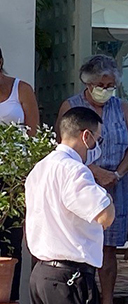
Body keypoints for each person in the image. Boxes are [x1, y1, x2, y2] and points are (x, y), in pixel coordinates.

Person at [56, 55, 128, 304]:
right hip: (82, 180)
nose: (106, 90)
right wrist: (95, 172)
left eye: (110, 85)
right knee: (79, 242)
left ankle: (107, 299)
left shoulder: (122, 107)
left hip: (116, 182)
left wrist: (117, 174)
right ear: (88, 83)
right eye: (101, 85)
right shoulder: (71, 106)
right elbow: (63, 147)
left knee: (109, 247)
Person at [26, 107, 115, 304]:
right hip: (69, 276)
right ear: (86, 136)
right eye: (97, 139)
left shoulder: (39, 168)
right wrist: (106, 195)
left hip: (42, 274)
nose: (97, 146)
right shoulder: (74, 170)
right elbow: (105, 216)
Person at [0, 47, 40, 302]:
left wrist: (27, 175)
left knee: (12, 239)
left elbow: (34, 136)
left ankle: (11, 296)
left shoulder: (21, 89)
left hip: (14, 178)